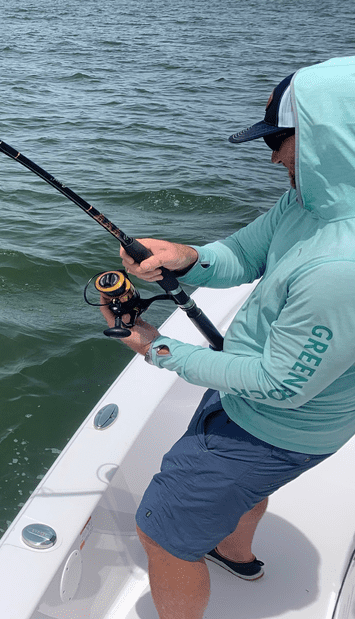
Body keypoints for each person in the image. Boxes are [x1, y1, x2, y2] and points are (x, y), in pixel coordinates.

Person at [100, 56, 355, 619]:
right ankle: (234, 551)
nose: (273, 158)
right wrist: (186, 258)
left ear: (332, 139)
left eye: (283, 141)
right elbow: (241, 254)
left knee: (162, 535)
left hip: (274, 424)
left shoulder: (343, 263)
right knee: (240, 495)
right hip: (253, 397)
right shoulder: (313, 201)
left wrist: (156, 348)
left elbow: (281, 385)